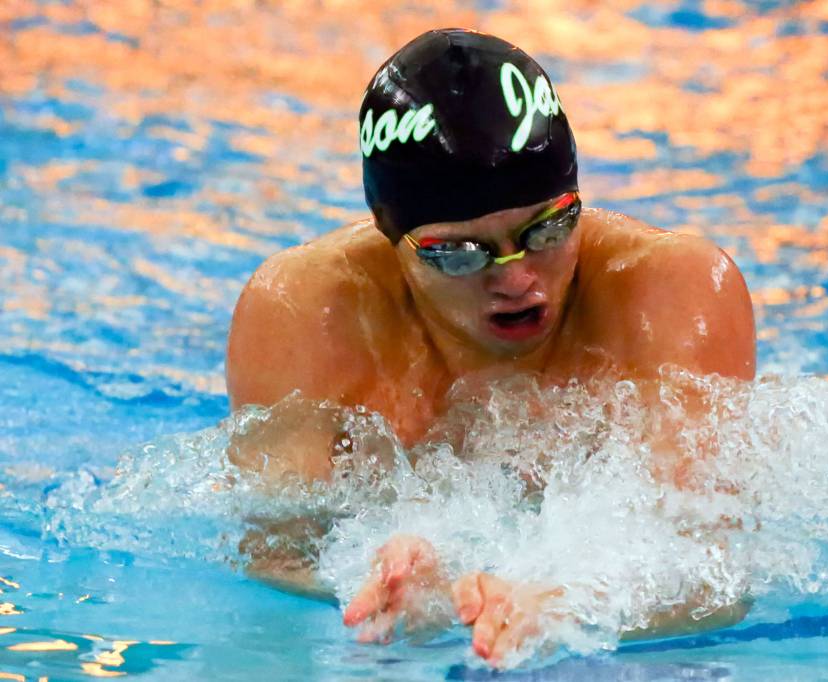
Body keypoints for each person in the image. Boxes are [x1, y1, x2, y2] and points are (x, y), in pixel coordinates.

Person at [226, 28, 756, 667]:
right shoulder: (305, 310)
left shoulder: (671, 292)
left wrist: (570, 604)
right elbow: (275, 550)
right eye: (458, 252)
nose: (515, 279)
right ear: (390, 237)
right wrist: (374, 577)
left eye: (548, 226)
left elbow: (712, 569)